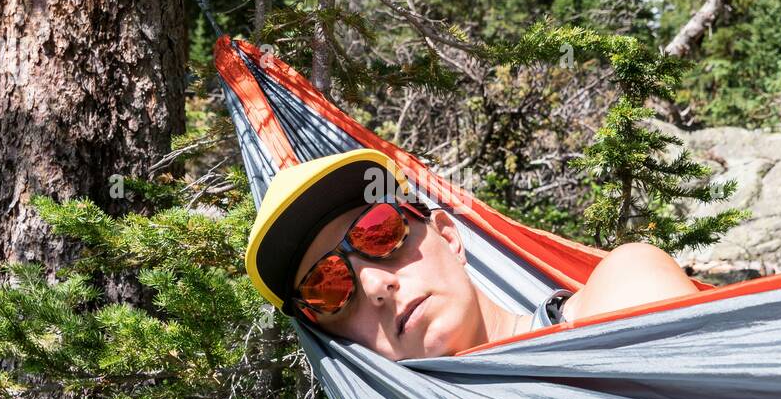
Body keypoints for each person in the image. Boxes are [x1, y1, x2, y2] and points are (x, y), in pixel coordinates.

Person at [245, 148, 700, 360]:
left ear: (447, 236)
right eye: (330, 287)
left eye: (378, 232)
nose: (375, 284)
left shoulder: (621, 287)